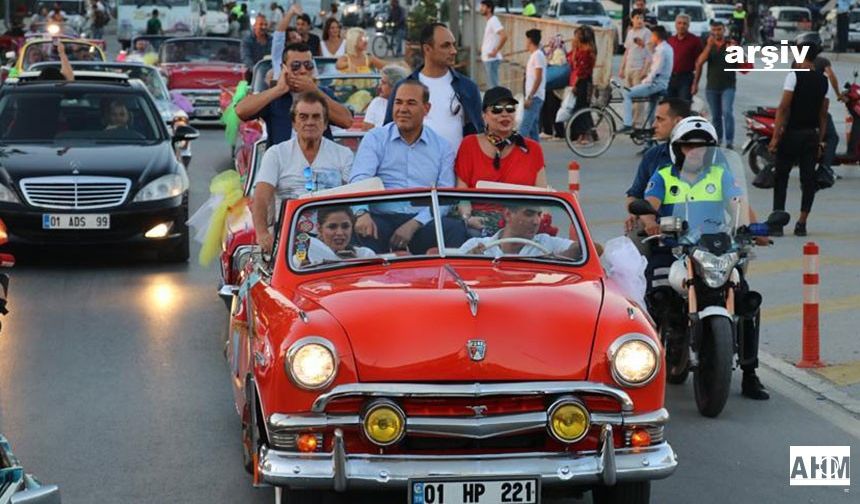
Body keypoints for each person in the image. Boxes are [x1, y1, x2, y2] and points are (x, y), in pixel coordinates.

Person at [641, 117, 770, 400]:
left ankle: (750, 374)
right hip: (672, 248)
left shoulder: (720, 176)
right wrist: (650, 222)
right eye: (689, 146)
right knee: (657, 295)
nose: (695, 151)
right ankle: (642, 366)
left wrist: (756, 229)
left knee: (746, 300)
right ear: (679, 148)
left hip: (714, 248)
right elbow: (648, 206)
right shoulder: (664, 176)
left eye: (701, 147)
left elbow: (739, 205)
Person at [350, 80, 465, 254]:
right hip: (380, 219)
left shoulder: (442, 147)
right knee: (360, 230)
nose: (403, 109)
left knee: (454, 229)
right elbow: (360, 179)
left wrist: (414, 224)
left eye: (411, 103)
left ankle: (447, 281)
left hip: (422, 221)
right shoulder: (375, 138)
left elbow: (444, 196)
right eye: (398, 102)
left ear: (426, 109)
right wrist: (361, 214)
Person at [252, 92, 354, 253]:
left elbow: (353, 199)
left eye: (316, 117)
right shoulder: (276, 153)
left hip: (333, 237)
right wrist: (263, 234)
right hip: (287, 235)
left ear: (325, 123)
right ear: (294, 123)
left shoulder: (343, 154)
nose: (310, 122)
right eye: (303, 117)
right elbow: (261, 198)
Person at [455, 86, 547, 236]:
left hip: (522, 223)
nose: (504, 114)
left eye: (510, 108)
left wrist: (538, 220)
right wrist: (467, 218)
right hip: (479, 224)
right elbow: (462, 194)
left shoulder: (532, 149)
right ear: (484, 115)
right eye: (497, 109)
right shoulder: (469, 145)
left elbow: (543, 197)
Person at [385, 23, 483, 153]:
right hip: (412, 169)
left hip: (456, 169)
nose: (453, 51)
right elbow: (388, 131)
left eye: (453, 44)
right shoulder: (404, 88)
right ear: (427, 49)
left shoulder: (467, 88)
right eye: (446, 46)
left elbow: (479, 133)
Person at [236, 42, 354, 148]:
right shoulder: (275, 97)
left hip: (319, 165)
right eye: (296, 65)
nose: (303, 71)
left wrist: (314, 91)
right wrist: (278, 89)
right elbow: (241, 111)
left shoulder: (323, 93)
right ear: (284, 68)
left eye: (308, 65)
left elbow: (346, 121)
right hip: (283, 166)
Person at [768, 33, 828, 237]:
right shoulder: (823, 81)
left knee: (781, 176)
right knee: (808, 179)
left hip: (792, 134)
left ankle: (777, 223)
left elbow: (783, 108)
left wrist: (775, 137)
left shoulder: (793, 75)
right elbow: (823, 115)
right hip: (811, 136)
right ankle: (802, 222)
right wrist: (820, 141)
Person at [624, 97, 691, 232]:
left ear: (678, 122)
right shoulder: (652, 156)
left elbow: (737, 200)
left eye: (660, 119)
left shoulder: (713, 159)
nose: (654, 124)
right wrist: (642, 218)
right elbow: (635, 195)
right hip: (665, 232)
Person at [459, 203, 581, 258]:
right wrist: (470, 260)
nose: (536, 221)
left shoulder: (546, 243)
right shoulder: (475, 245)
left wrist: (555, 259)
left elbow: (595, 249)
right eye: (529, 214)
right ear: (508, 215)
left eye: (539, 215)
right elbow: (451, 276)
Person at [618, 26, 673, 133]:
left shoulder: (662, 50)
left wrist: (645, 82)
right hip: (660, 83)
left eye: (652, 36)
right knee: (650, 113)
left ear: (656, 37)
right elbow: (653, 58)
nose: (651, 38)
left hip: (656, 83)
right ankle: (650, 141)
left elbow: (656, 69)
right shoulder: (666, 48)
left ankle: (628, 123)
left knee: (627, 94)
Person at [692, 21, 737, 149]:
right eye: (714, 30)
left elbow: (741, 63)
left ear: (724, 30)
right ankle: (718, 139)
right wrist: (708, 46)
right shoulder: (708, 45)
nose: (717, 32)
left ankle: (729, 141)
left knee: (727, 112)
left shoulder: (730, 43)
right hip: (712, 87)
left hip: (728, 85)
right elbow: (699, 63)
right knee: (716, 116)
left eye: (719, 29)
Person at [299, 207, 376, 266]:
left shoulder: (365, 255)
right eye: (332, 227)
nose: (340, 233)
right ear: (319, 229)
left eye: (345, 226)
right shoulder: (304, 257)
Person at [620, 9, 652, 127]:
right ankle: (628, 121)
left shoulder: (646, 32)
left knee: (638, 97)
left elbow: (650, 51)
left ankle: (637, 122)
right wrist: (622, 68)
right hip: (629, 67)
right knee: (627, 96)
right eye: (637, 18)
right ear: (632, 19)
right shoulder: (630, 32)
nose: (639, 20)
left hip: (639, 68)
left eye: (642, 18)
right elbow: (627, 51)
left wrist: (645, 70)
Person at [567, 25, 596, 145]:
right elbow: (570, 60)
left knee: (581, 108)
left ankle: (586, 134)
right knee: (582, 108)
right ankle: (585, 134)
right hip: (581, 81)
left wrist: (575, 84)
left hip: (584, 82)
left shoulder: (587, 51)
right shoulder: (580, 50)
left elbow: (581, 71)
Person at [362, 64, 409, 129]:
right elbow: (366, 131)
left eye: (383, 83)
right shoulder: (376, 103)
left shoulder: (408, 104)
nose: (379, 86)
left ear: (395, 85)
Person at [667, 13, 702, 102]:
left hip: (686, 78)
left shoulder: (695, 41)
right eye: (679, 23)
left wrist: (695, 83)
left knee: (684, 106)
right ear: (675, 25)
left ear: (688, 25)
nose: (682, 26)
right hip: (670, 78)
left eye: (684, 23)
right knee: (669, 106)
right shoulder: (670, 41)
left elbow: (699, 63)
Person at [522, 29, 546, 142]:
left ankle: (514, 156)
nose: (525, 43)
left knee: (524, 128)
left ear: (530, 40)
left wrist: (530, 96)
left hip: (535, 97)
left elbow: (538, 77)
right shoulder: (535, 55)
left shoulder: (538, 55)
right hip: (533, 96)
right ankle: (537, 156)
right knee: (533, 130)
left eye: (526, 40)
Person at [480, 0, 507, 89]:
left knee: (493, 87)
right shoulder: (490, 21)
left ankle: (496, 102)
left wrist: (496, 51)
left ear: (489, 8)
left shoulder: (493, 20)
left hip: (491, 59)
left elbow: (504, 36)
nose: (481, 8)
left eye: (483, 6)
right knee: (491, 86)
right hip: (488, 59)